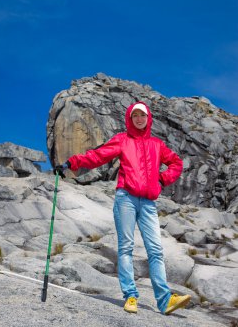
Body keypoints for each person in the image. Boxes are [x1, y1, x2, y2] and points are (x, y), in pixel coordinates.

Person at [54, 101, 191, 315]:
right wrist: (72, 163)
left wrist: (162, 180)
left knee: (155, 249)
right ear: (130, 118)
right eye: (135, 115)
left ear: (148, 118)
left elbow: (176, 163)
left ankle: (165, 301)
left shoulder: (157, 145)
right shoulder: (122, 140)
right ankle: (130, 296)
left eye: (142, 115)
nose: (139, 119)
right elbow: (97, 156)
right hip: (125, 198)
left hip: (148, 202)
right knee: (126, 247)